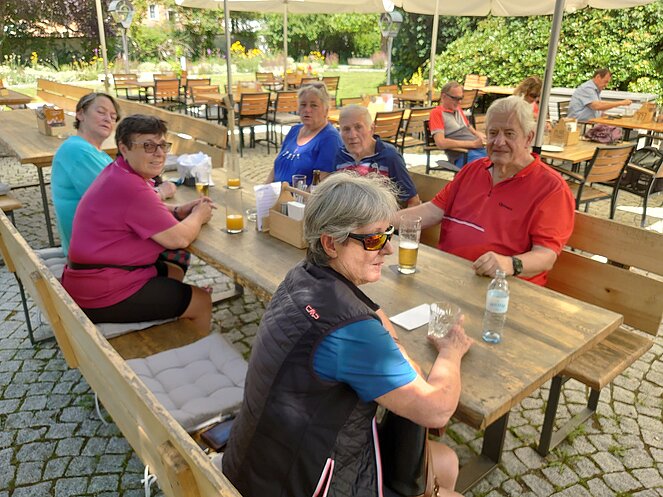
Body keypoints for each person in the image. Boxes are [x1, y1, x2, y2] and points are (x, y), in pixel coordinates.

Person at [223, 173, 473, 497]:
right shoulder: (349, 330)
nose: (389, 249)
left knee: (446, 462)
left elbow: (372, 312)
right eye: (374, 240)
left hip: (256, 464)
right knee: (447, 481)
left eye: (389, 234)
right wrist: (451, 352)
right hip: (299, 483)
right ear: (330, 243)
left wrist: (389, 345)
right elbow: (436, 410)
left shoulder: (303, 276)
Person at [397, 96, 575, 287]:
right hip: (450, 275)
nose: (499, 141)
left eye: (509, 134)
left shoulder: (551, 188)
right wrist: (380, 221)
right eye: (493, 133)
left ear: (528, 138)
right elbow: (433, 210)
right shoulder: (473, 170)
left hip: (504, 288)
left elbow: (546, 256)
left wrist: (509, 264)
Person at [61, 115, 213, 331]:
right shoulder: (131, 187)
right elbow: (179, 239)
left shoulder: (118, 172)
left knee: (174, 270)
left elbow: (138, 209)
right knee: (201, 300)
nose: (159, 153)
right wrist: (200, 213)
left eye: (162, 145)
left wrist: (178, 210)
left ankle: (171, 311)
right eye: (148, 146)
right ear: (124, 148)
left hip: (92, 279)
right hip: (103, 292)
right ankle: (193, 339)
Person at [52, 92, 176, 256]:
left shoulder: (94, 152)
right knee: (175, 243)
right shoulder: (78, 151)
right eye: (101, 112)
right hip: (94, 250)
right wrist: (162, 192)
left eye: (113, 116)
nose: (107, 119)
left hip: (95, 243)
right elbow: (124, 200)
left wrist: (175, 208)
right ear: (80, 114)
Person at [335, 105, 420, 207]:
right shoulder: (339, 156)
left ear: (371, 129)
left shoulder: (389, 156)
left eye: (358, 127)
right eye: (346, 129)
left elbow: (413, 201)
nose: (352, 135)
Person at [267, 82, 342, 186]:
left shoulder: (330, 138)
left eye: (314, 105)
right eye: (303, 105)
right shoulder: (294, 130)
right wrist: (264, 189)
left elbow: (320, 184)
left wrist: (289, 196)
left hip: (300, 196)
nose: (307, 110)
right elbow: (277, 166)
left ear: (326, 110)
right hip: (276, 193)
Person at [429, 81, 487, 170]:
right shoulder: (437, 113)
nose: (459, 102)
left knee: (501, 160)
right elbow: (441, 143)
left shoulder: (457, 109)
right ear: (443, 96)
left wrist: (478, 134)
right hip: (463, 155)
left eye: (461, 98)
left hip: (476, 150)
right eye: (455, 98)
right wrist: (473, 144)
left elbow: (468, 126)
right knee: (485, 166)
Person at [567, 68, 633, 122]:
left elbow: (596, 111)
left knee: (615, 129)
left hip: (589, 123)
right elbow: (597, 106)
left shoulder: (595, 89)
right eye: (605, 81)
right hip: (580, 125)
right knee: (614, 131)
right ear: (598, 77)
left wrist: (611, 116)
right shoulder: (587, 88)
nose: (606, 85)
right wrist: (621, 103)